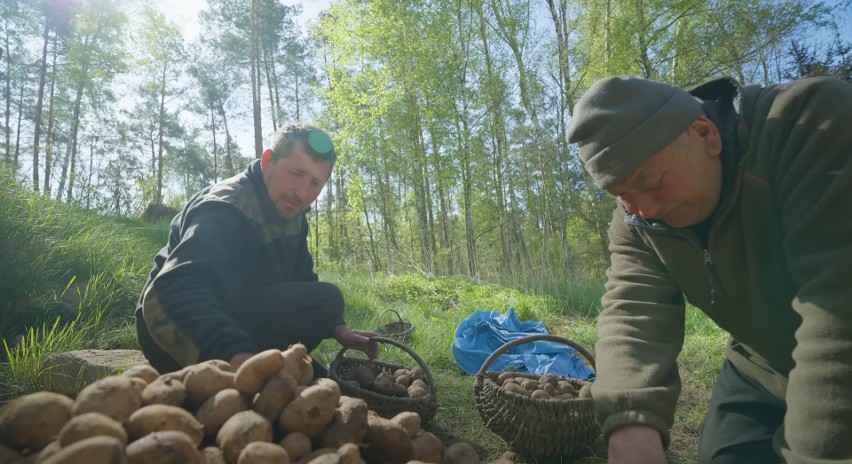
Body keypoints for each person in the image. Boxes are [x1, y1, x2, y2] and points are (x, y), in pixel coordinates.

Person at [566, 75, 852, 463]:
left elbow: (838, 308)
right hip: (761, 364)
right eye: (623, 195)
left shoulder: (812, 123)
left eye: (651, 182)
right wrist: (630, 422)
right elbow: (633, 308)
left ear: (705, 135)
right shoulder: (636, 218)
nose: (645, 209)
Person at [136, 123, 379, 375]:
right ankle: (240, 362)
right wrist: (237, 357)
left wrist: (337, 328)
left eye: (315, 183)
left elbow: (301, 278)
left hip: (235, 311)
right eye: (296, 173)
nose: (302, 193)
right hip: (174, 333)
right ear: (267, 161)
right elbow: (173, 291)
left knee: (327, 302)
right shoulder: (226, 208)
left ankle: (268, 361)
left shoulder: (292, 212)